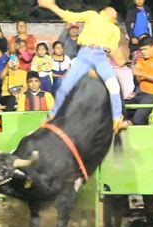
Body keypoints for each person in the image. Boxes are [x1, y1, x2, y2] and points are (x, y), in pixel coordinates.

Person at [38, 0, 125, 132]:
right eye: (111, 9)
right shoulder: (92, 15)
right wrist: (51, 6)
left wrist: (108, 51)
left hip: (100, 55)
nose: (114, 11)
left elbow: (113, 48)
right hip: (84, 53)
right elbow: (70, 16)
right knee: (65, 85)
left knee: (113, 84)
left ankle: (117, 119)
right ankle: (53, 115)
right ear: (104, 11)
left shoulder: (115, 29)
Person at [128, 36, 153, 125]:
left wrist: (142, 74)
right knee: (123, 110)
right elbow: (137, 75)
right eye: (141, 50)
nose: (142, 52)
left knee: (138, 119)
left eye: (145, 49)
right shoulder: (141, 60)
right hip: (141, 93)